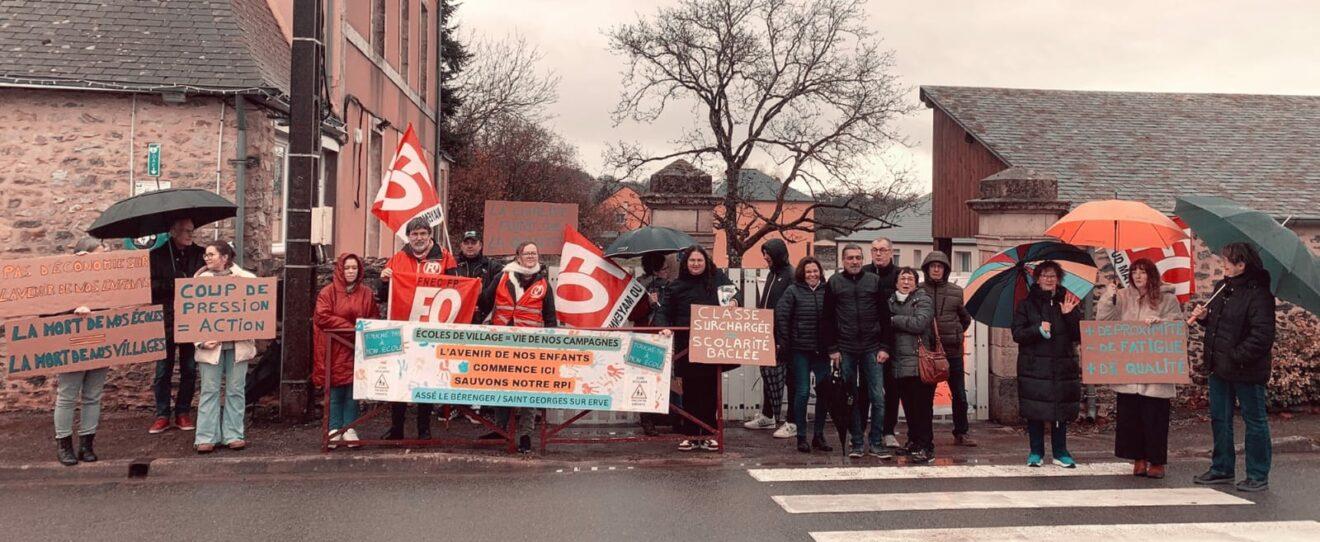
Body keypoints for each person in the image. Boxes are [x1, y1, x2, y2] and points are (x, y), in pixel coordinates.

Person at [1189, 242, 1276, 492]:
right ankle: (1222, 468)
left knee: (1254, 421)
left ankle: (1257, 474)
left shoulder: (1259, 294)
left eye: (1228, 261)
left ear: (1242, 265)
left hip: (1246, 369)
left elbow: (1262, 336)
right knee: (1220, 419)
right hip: (1220, 367)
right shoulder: (1222, 287)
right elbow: (1219, 325)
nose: (1223, 264)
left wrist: (1236, 356)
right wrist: (1205, 318)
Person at [1096, 258, 1184, 479]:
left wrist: (1161, 322)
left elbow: (1179, 328)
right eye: (1134, 271)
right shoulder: (1122, 297)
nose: (1137, 276)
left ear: (1151, 275)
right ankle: (1139, 459)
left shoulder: (1167, 299)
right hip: (1130, 368)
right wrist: (1108, 297)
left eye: (1143, 272)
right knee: (1131, 418)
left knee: (1155, 418)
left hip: (1155, 370)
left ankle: (1157, 461)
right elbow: (1103, 322)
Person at [378, 217, 455, 440]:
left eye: (423, 233)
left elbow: (457, 289)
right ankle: (397, 428)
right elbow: (382, 296)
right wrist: (383, 280)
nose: (419, 238)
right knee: (399, 377)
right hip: (402, 329)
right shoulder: (397, 259)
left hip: (431, 331)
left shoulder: (445, 258)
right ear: (408, 237)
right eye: (414, 234)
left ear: (430, 235)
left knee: (426, 380)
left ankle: (424, 429)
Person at [655, 245, 736, 452]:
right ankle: (690, 435)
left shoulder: (718, 279)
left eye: (699, 260)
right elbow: (663, 311)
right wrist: (664, 327)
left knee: (710, 390)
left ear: (705, 262)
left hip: (712, 345)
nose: (696, 264)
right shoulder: (676, 285)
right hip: (687, 346)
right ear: (686, 263)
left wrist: (735, 301)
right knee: (690, 391)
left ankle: (709, 434)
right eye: (692, 260)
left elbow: (735, 295)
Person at [480, 241, 558, 454]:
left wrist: (552, 345)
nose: (531, 256)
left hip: (530, 346)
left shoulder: (544, 283)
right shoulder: (502, 277)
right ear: (518, 257)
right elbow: (484, 302)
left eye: (534, 253)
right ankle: (500, 429)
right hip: (502, 342)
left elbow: (550, 317)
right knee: (500, 384)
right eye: (527, 253)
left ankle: (525, 434)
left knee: (528, 389)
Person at [823, 244, 893, 459]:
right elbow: (827, 318)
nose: (854, 261)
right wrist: (833, 349)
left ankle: (876, 442)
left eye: (858, 258)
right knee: (850, 397)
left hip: (872, 347)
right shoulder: (834, 282)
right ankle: (856, 442)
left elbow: (885, 316)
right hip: (846, 348)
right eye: (850, 258)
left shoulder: (874, 281)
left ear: (863, 260)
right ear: (843, 260)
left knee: (877, 397)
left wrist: (885, 347)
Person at [51, 238, 117, 466]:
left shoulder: (108, 280)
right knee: (67, 395)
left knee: (93, 395)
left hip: (99, 341)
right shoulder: (64, 279)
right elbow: (48, 309)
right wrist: (72, 310)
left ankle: (86, 445)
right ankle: (64, 445)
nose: (102, 259)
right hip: (72, 343)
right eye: (97, 255)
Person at [1011, 261, 1082, 468]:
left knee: (1060, 412)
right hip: (1034, 367)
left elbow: (1078, 335)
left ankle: (1061, 452)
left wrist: (1069, 315)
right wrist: (1037, 329)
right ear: (1037, 279)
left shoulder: (1068, 301)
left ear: (1058, 279)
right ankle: (1036, 452)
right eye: (1045, 275)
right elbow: (1017, 334)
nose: (1049, 279)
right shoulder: (1026, 305)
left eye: (1053, 276)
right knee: (1035, 411)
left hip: (1062, 365)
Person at [192, 240, 257, 453]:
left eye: (211, 254)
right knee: (209, 390)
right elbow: (191, 317)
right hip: (210, 346)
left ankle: (233, 434)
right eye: (206, 255)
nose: (207, 258)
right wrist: (201, 341)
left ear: (225, 257)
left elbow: (257, 312)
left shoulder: (247, 280)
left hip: (239, 345)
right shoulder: (199, 282)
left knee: (236, 390)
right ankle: (206, 437)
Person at [313, 253, 380, 447]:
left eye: (354, 268)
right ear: (340, 270)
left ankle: (350, 428)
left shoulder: (366, 293)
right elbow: (322, 316)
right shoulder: (327, 292)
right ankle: (334, 429)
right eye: (347, 268)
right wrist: (353, 329)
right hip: (334, 348)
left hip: (355, 349)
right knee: (335, 389)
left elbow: (373, 318)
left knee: (353, 390)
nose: (351, 271)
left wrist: (357, 331)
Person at [148, 218, 206, 434]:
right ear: (173, 232)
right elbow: (149, 286)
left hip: (191, 319)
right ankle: (162, 414)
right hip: (165, 320)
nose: (191, 235)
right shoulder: (157, 255)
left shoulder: (200, 254)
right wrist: (174, 283)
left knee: (189, 368)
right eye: (186, 231)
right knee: (163, 370)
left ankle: (183, 412)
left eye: (192, 230)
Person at [775, 257, 833, 454]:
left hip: (822, 350)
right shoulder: (793, 290)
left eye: (815, 271)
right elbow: (781, 316)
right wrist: (785, 342)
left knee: (824, 392)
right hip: (800, 350)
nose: (812, 274)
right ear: (802, 273)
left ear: (820, 272)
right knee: (802, 392)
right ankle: (801, 436)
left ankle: (819, 435)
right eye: (808, 271)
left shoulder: (827, 291)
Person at [920, 251, 976, 447]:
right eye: (933, 266)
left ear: (946, 269)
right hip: (928, 353)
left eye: (940, 266)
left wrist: (956, 333)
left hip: (953, 352)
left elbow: (965, 318)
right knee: (925, 397)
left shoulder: (956, 291)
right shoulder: (918, 291)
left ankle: (961, 431)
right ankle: (924, 435)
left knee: (959, 395)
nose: (936, 269)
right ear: (927, 269)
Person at [444, 230, 498, 423]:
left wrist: (483, 293)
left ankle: (478, 408)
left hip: (481, 321)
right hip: (457, 322)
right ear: (461, 245)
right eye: (466, 242)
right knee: (456, 365)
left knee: (479, 366)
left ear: (480, 245)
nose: (469, 246)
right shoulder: (452, 266)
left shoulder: (491, 266)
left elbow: (502, 285)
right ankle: (456, 406)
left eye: (473, 242)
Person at [745, 239, 797, 439]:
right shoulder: (771, 274)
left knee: (789, 379)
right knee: (768, 375)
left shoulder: (791, 275)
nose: (765, 257)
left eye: (768, 253)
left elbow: (791, 309)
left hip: (785, 337)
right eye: (764, 253)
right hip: (768, 334)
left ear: (778, 254)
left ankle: (792, 421)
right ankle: (768, 416)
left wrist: (784, 339)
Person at [889, 267, 937, 463]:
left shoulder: (923, 300)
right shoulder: (891, 301)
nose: (906, 282)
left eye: (910, 279)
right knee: (909, 407)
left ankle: (926, 446)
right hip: (899, 363)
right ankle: (914, 441)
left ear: (916, 283)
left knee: (922, 408)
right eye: (903, 278)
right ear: (896, 282)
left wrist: (894, 320)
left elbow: (919, 323)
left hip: (919, 364)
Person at [862, 237, 902, 451]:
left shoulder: (899, 275)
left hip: (893, 342)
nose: (878, 254)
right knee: (865, 389)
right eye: (875, 250)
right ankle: (860, 430)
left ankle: (888, 431)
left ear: (891, 252)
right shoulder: (863, 273)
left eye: (883, 250)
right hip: (867, 341)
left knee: (891, 389)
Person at [633, 252, 675, 437]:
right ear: (655, 270)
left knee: (666, 379)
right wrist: (648, 303)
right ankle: (647, 419)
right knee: (645, 379)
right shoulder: (638, 286)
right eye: (664, 268)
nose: (667, 271)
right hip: (645, 336)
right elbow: (632, 313)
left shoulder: (670, 286)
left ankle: (669, 416)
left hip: (663, 335)